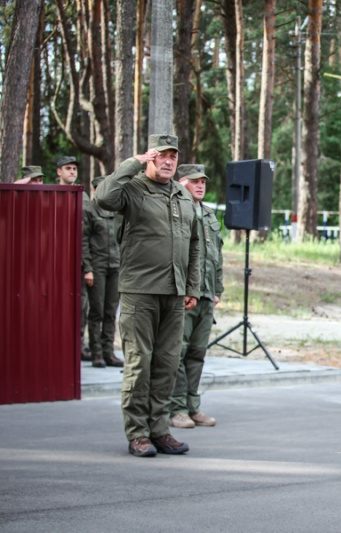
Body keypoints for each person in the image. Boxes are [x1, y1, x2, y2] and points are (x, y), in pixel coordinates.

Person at [96, 134, 201, 457]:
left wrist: (192, 286)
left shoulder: (182, 195)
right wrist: (133, 162)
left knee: (167, 364)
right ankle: (138, 434)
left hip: (174, 292)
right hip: (139, 291)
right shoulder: (132, 188)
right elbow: (103, 198)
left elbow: (195, 245)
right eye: (161, 155)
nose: (168, 161)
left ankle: (159, 430)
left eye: (173, 156)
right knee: (139, 364)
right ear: (151, 157)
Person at [169, 164, 224, 428]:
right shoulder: (175, 211)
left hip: (206, 296)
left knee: (197, 354)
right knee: (177, 354)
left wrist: (217, 290)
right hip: (184, 296)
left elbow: (217, 257)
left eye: (203, 182)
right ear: (181, 183)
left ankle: (193, 407)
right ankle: (176, 408)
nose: (200, 185)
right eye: (194, 181)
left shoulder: (209, 215)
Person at [82, 176, 124, 369]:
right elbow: (83, 242)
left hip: (115, 267)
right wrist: (88, 269)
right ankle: (96, 353)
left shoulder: (116, 211)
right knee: (96, 312)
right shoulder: (89, 211)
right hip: (97, 267)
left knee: (110, 312)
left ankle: (109, 353)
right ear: (94, 191)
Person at [56, 155, 93, 361]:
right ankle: (59, 344)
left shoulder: (83, 196)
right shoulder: (51, 193)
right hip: (57, 262)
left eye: (74, 169)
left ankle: (79, 345)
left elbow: (87, 233)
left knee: (81, 305)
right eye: (68, 168)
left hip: (79, 260)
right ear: (59, 172)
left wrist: (88, 265)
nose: (72, 172)